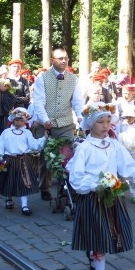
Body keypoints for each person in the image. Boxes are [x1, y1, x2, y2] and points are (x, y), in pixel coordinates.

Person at [66, 101, 135, 270]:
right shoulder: (84, 148)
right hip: (93, 198)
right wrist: (95, 185)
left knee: (110, 236)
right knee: (100, 238)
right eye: (100, 121)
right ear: (91, 124)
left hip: (111, 198)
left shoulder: (114, 145)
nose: (105, 125)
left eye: (108, 121)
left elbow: (127, 167)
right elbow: (76, 177)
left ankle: (94, 258)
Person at [32, 48, 85, 201]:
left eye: (66, 58)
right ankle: (45, 187)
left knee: (67, 156)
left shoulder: (74, 79)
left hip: (66, 123)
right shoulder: (42, 78)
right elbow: (39, 102)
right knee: (46, 157)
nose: (64, 61)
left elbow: (77, 102)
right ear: (52, 60)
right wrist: (44, 119)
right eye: (60, 58)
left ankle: (66, 187)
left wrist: (81, 118)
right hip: (46, 124)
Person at [0, 107, 47, 215]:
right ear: (12, 120)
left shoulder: (27, 133)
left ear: (25, 121)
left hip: (23, 161)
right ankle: (9, 198)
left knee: (24, 183)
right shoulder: (6, 132)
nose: (19, 122)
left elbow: (33, 145)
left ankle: (24, 205)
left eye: (21, 120)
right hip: (9, 160)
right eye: (17, 120)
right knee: (9, 180)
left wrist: (43, 139)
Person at [117, 108, 135, 204]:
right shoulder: (120, 126)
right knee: (120, 173)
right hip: (122, 152)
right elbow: (117, 139)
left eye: (131, 117)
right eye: (127, 117)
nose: (129, 119)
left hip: (133, 153)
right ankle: (120, 190)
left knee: (134, 173)